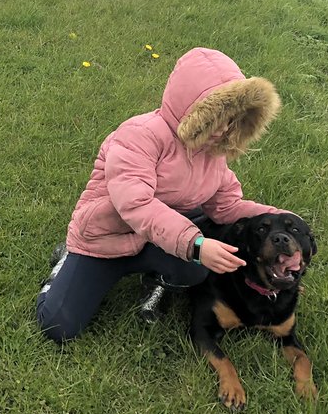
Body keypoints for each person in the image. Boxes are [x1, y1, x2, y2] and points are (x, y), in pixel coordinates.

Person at [37, 47, 284, 343]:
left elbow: (227, 205)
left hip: (158, 239)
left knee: (197, 265)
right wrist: (195, 244)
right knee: (57, 325)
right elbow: (136, 205)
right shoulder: (139, 136)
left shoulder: (213, 153)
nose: (225, 129)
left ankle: (158, 282)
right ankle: (66, 257)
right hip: (105, 239)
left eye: (232, 119)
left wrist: (278, 220)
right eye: (216, 117)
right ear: (193, 110)